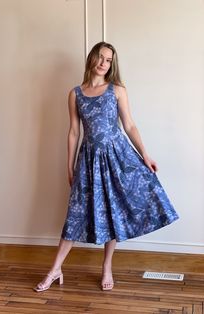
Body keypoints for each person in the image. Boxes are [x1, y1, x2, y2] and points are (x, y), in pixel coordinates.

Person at [34, 42, 179, 292]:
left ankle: (107, 266)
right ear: (92, 58)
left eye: (109, 60)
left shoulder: (117, 90)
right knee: (76, 213)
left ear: (112, 64)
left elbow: (130, 125)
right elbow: (73, 132)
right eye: (100, 57)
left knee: (113, 211)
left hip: (117, 156)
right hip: (88, 160)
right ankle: (55, 269)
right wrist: (69, 167)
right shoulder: (75, 94)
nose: (104, 62)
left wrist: (145, 155)